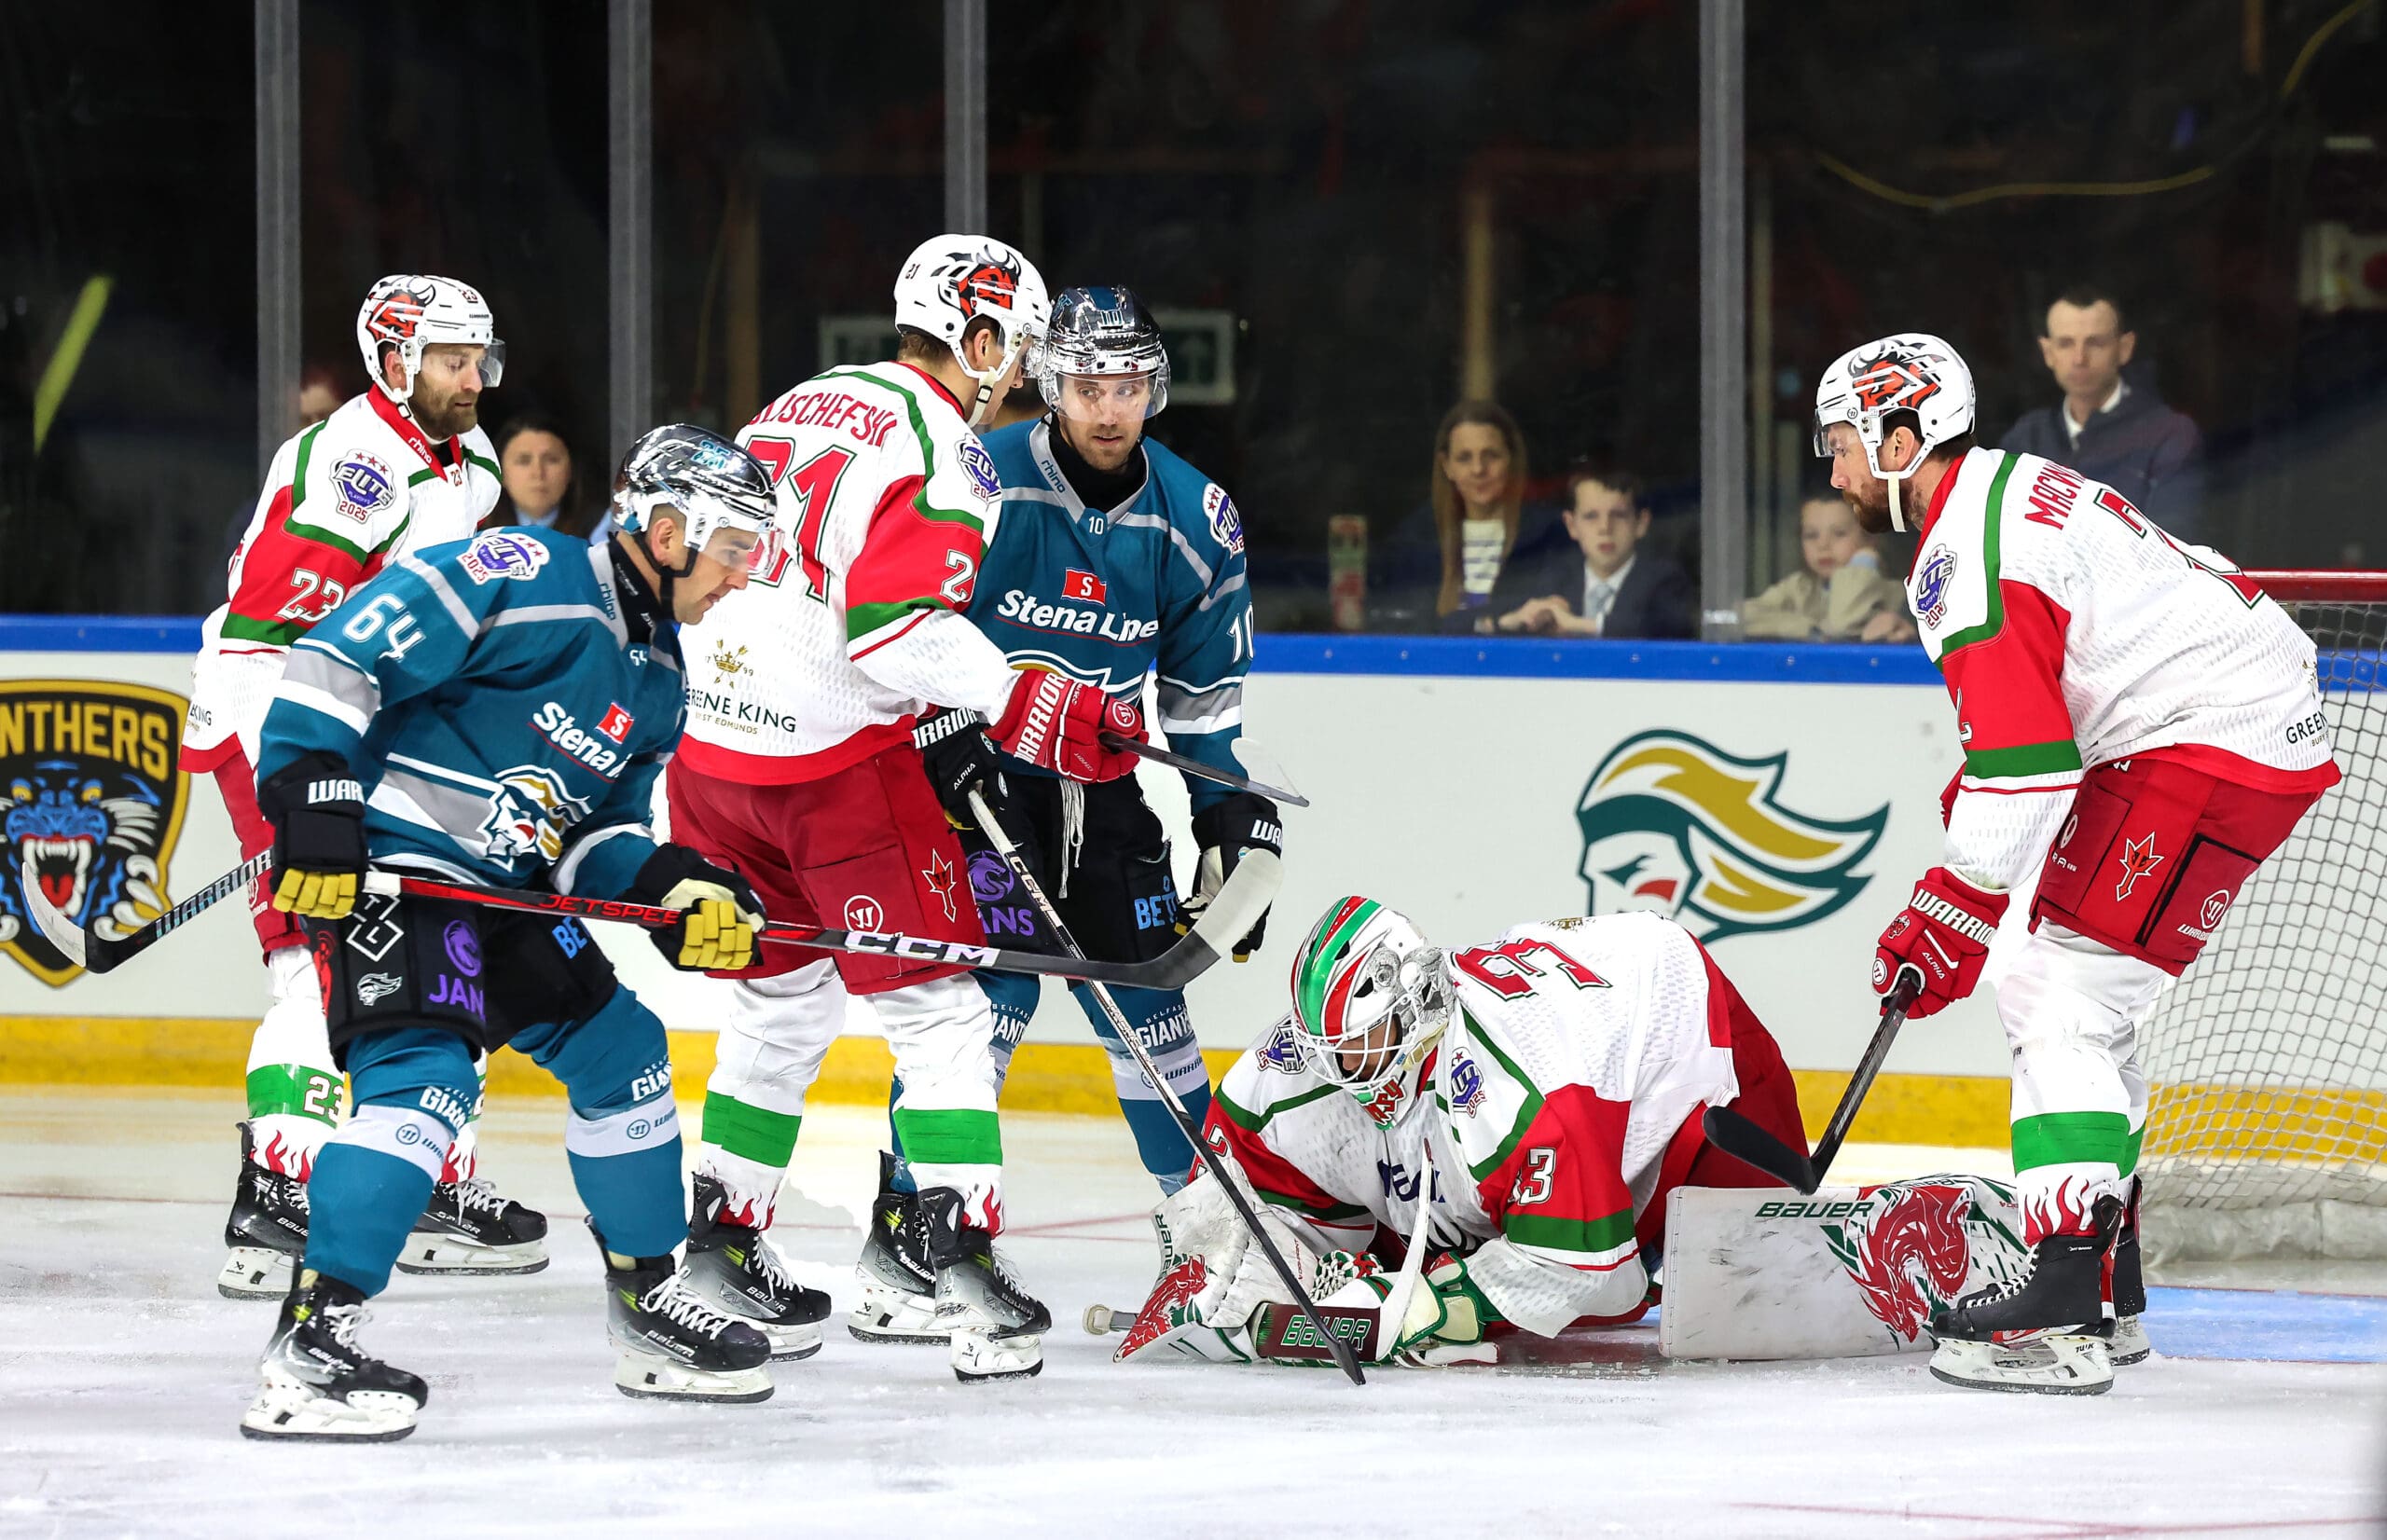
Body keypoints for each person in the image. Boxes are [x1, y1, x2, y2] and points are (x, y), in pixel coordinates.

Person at [1814, 334, 2340, 1395]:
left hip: (2202, 742)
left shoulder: (1965, 553)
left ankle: (2058, 1306)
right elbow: (2035, 736)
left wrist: (1950, 903)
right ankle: (2108, 1277)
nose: (1831, 473)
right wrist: (1970, 865)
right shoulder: (1998, 487)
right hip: (2239, 733)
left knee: (2050, 991)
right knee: (2085, 998)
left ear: (1899, 436)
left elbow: (2027, 771)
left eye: (1840, 446)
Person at [239, 425, 780, 1439]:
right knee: (423, 1084)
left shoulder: (657, 675)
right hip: (403, 876)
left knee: (625, 1050)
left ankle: (648, 1302)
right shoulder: (522, 572)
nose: (743, 576)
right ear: (667, 532)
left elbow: (595, 839)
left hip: (505, 896)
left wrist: (672, 885)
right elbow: (336, 655)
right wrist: (314, 795)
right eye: (735, 548)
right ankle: (311, 1343)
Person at [665, 234, 1138, 1383]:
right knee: (942, 1017)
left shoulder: (794, 402)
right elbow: (894, 628)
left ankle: (722, 1246)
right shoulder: (947, 448)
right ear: (974, 336)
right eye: (1013, 352)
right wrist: (1033, 697)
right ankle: (961, 1269)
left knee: (778, 1013)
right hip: (833, 774)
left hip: (712, 756)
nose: (1013, 377)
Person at [182, 274, 541, 1301]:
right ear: (393, 360)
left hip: (372, 719)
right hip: (280, 712)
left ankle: (421, 1170)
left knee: (430, 929)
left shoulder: (468, 460)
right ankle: (278, 1184)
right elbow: (269, 626)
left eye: (481, 359)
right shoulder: (357, 463)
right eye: (449, 360)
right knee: (317, 949)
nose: (472, 379)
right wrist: (311, 776)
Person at [879, 282, 1276, 1214]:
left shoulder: (1193, 516)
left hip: (1098, 793)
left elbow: (1201, 695)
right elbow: (902, 626)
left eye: (1128, 386)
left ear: (1156, 388)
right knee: (981, 1017)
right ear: (1051, 384)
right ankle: (907, 1224)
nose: (1109, 408)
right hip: (973, 784)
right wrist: (933, 737)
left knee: (1153, 1014)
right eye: (1088, 386)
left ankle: (1206, 1233)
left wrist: (1222, 809)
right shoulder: (979, 479)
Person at [1111, 899, 1806, 1366]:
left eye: (1364, 1040)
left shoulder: (1517, 1087)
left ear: (1418, 1007)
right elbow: (1240, 1186)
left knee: (1744, 1269)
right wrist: (1222, 1260)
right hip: (1558, 1058)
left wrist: (1432, 1310)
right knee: (1441, 1223)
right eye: (1327, 1045)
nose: (1342, 1068)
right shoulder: (1303, 1066)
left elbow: (1607, 1279)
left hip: (1674, 1009)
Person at [2000, 285, 2205, 543]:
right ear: (2048, 352)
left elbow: (2169, 550)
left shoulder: (2170, 434)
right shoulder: (2025, 437)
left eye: (2095, 343)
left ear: (2125, 347)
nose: (2079, 358)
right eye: (2065, 344)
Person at [1377, 402, 1560, 632]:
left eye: (1491, 456)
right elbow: (1404, 626)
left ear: (1511, 459)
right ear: (1447, 466)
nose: (1478, 469)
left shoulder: (1547, 536)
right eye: (1464, 458)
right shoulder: (1417, 539)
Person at [1493, 464, 1697, 639]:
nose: (1605, 528)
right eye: (1591, 516)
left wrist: (1576, 624)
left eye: (1618, 515)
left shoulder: (1665, 579)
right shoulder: (1554, 577)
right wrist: (1512, 620)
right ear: (1571, 525)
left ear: (1641, 523)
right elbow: (1466, 622)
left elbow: (1665, 627)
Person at [1740, 493, 1916, 642]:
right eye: (1811, 535)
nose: (1823, 545)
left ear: (1869, 539)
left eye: (1839, 533)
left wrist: (1863, 563)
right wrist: (1813, 630)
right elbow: (1741, 615)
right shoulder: (1800, 587)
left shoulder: (1896, 594)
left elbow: (1842, 623)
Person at [486, 412, 582, 534]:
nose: (538, 473)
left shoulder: (600, 532)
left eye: (551, 459)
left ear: (571, 470)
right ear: (500, 473)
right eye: (523, 461)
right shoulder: (475, 534)